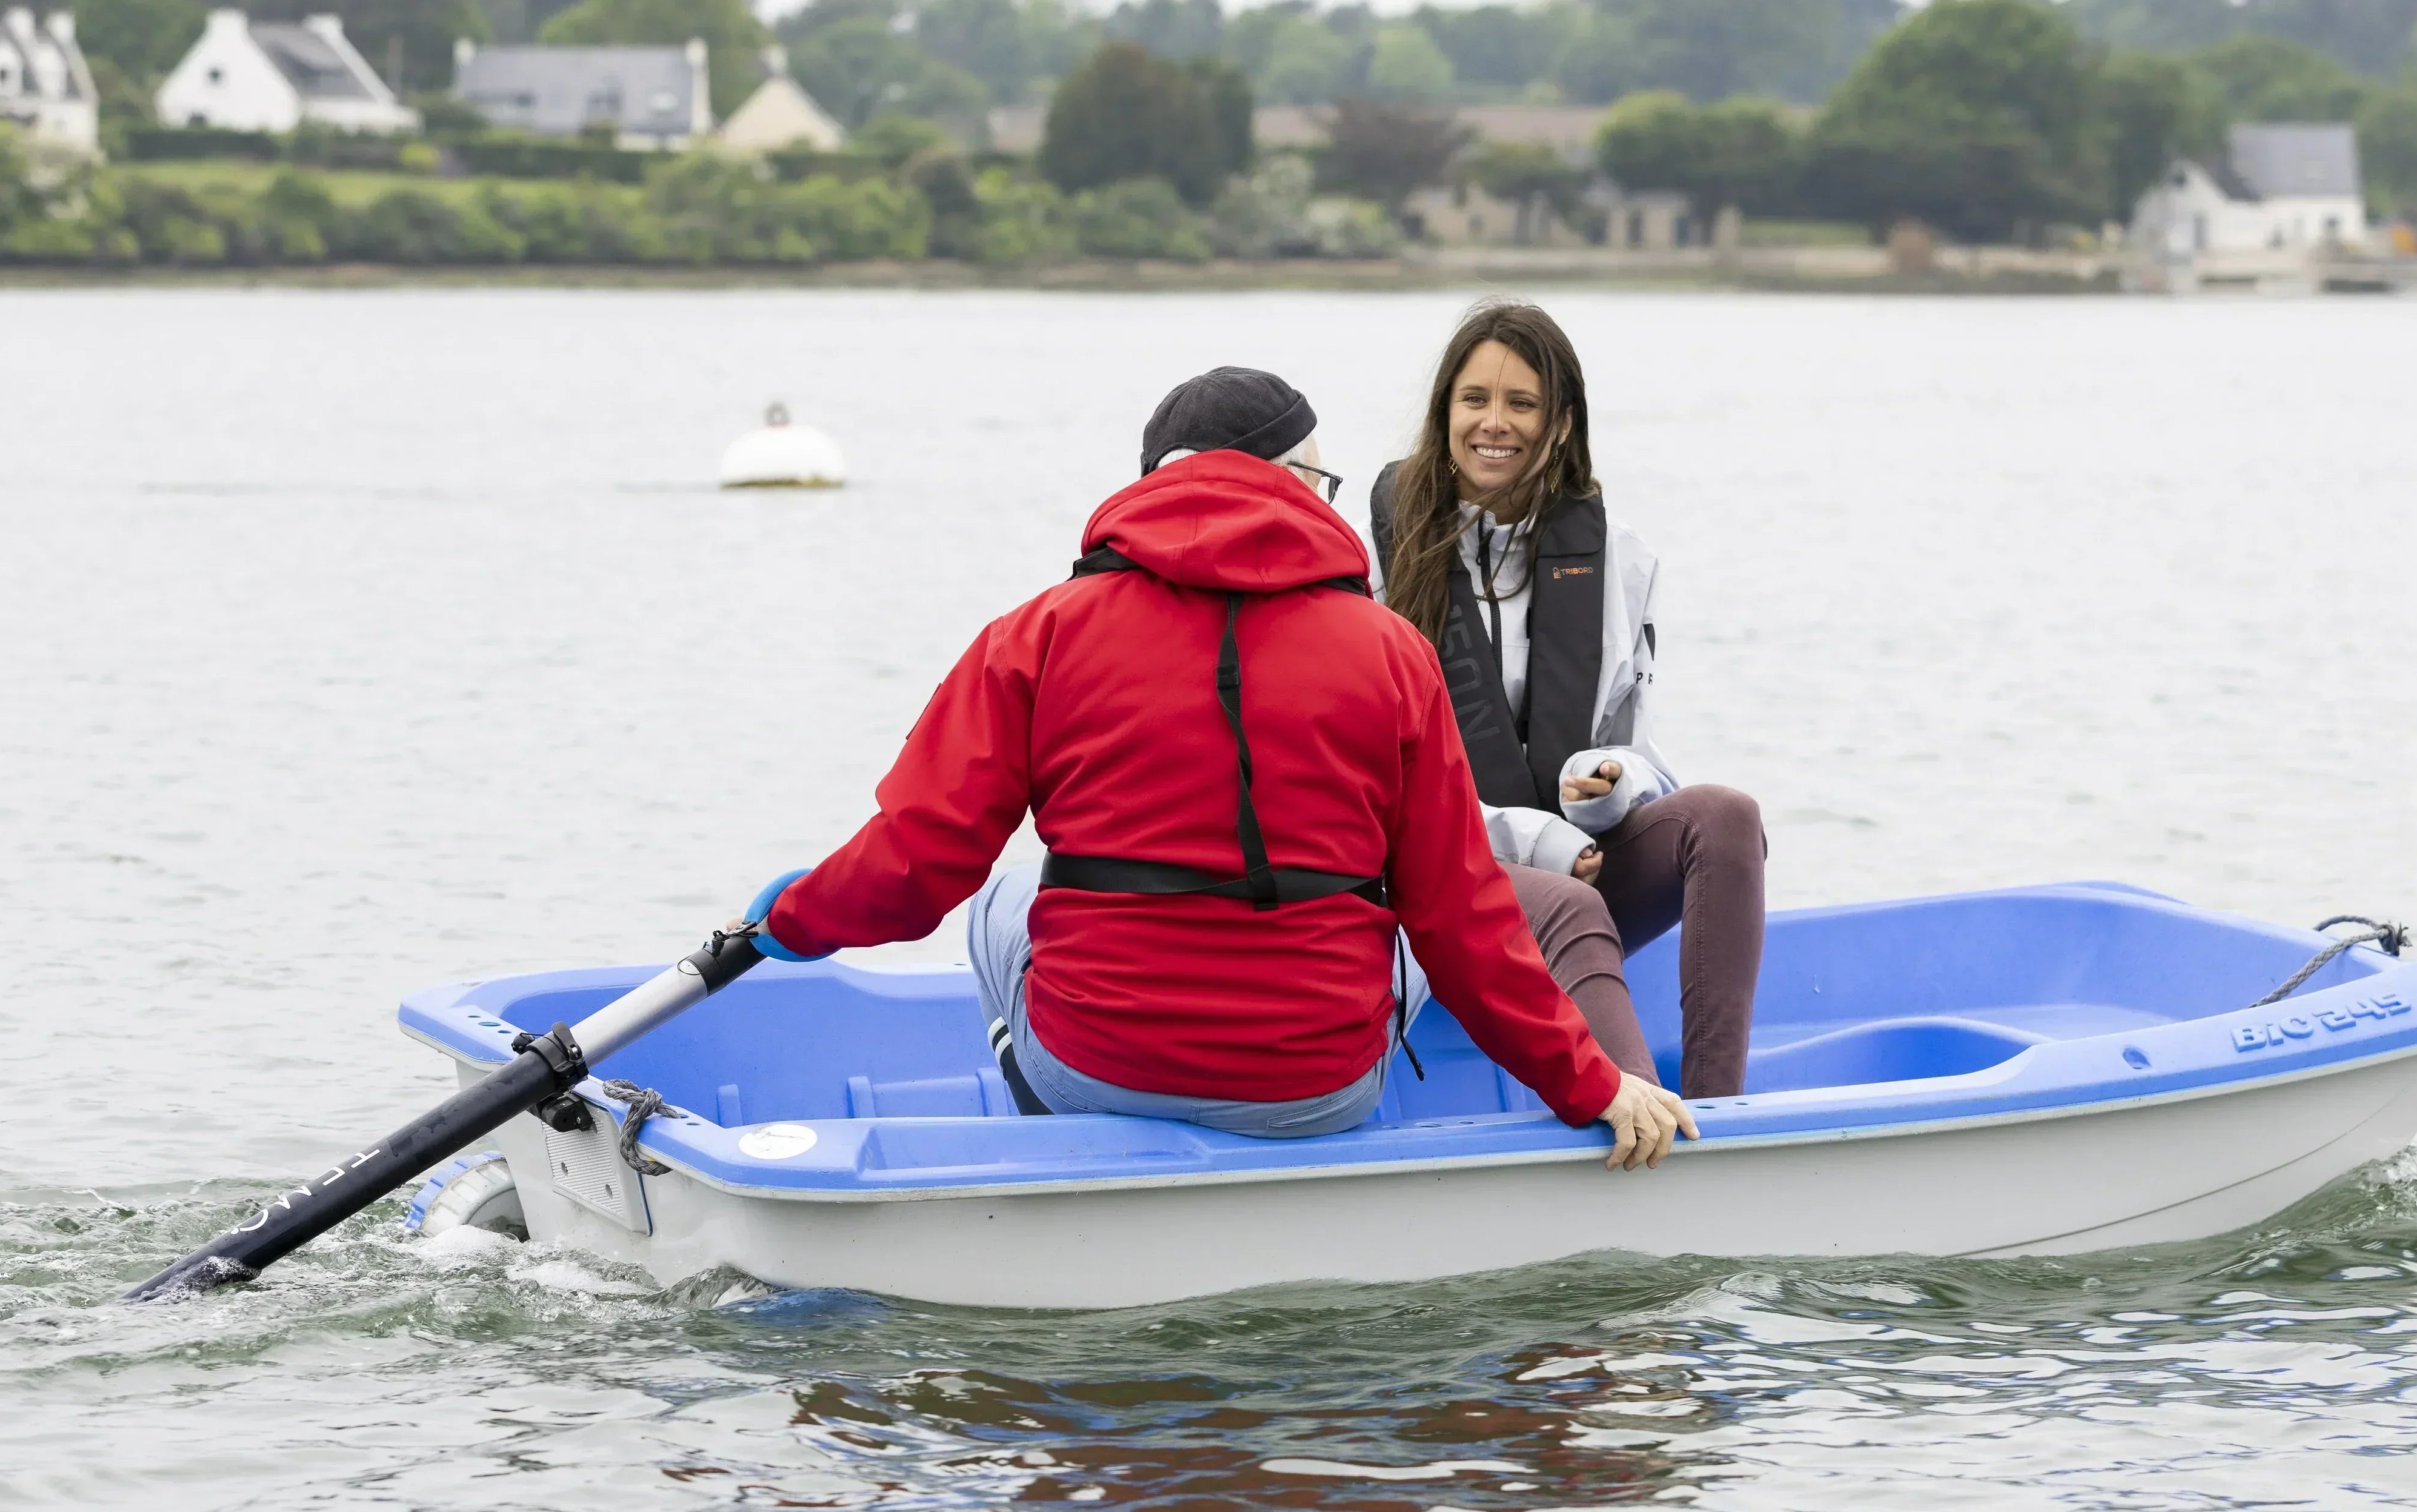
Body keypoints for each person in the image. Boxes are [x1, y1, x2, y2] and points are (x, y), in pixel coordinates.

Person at [750, 365, 1695, 1166]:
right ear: (1284, 483)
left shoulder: (1035, 635)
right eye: (1322, 484)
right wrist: (1590, 1084)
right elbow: (1461, 917)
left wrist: (788, 920)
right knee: (1401, 925)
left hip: (1098, 1066)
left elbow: (915, 868)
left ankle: (1059, 1142)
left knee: (999, 896)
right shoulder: (1390, 652)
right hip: (1320, 1090)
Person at [1370, 303, 1767, 1100]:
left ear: (1561, 423)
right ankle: (1643, 1128)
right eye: (1474, 399)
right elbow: (1373, 788)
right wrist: (1537, 840)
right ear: (1443, 410)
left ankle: (1722, 1111)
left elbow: (1638, 751)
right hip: (1430, 896)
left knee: (1726, 816)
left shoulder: (1619, 558)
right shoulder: (1369, 559)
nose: (1495, 423)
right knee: (1564, 905)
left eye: (1522, 404)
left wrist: (1608, 783)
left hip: (1573, 870)